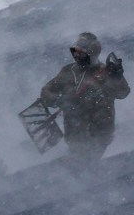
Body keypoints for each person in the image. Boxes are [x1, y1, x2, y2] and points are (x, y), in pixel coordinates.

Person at [40, 32, 129, 163]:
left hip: (100, 136)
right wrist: (57, 100)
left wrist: (117, 77)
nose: (77, 56)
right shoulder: (68, 71)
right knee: (78, 160)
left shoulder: (107, 73)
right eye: (75, 52)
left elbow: (123, 93)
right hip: (74, 136)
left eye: (81, 53)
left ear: (92, 54)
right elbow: (46, 91)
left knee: (86, 162)